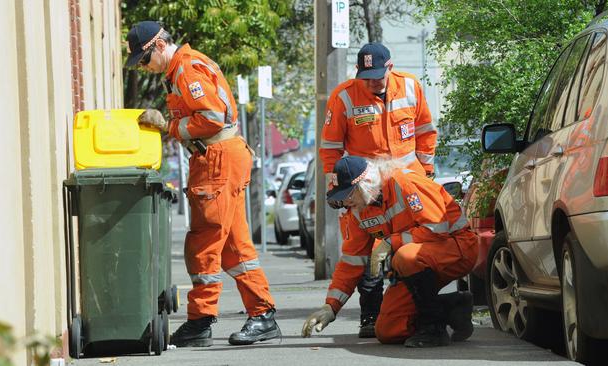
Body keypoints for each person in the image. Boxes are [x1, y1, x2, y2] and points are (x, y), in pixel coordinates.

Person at [125, 21, 280, 347]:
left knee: (204, 242)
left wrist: (169, 126)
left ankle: (200, 320)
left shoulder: (186, 70)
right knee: (234, 246)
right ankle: (262, 314)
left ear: (158, 46)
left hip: (217, 159)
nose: (143, 66)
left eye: (143, 58)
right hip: (220, 158)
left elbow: (212, 117)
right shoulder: (182, 69)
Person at [319, 42, 440, 337]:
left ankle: (421, 312)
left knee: (407, 249)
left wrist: (425, 175)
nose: (372, 81)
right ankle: (370, 314)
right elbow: (330, 150)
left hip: (407, 188)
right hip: (365, 189)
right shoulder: (344, 96)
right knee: (366, 252)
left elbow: (426, 132)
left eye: (377, 74)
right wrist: (341, 192)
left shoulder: (410, 87)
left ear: (390, 67)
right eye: (366, 75)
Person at [302, 156, 478, 347]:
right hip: (414, 264)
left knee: (405, 256)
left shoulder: (405, 182)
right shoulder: (359, 209)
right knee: (388, 330)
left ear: (365, 183)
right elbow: (351, 262)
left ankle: (433, 329)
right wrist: (331, 306)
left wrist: (390, 242)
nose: (345, 202)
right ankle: (452, 307)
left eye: (348, 195)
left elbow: (438, 227)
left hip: (458, 248)